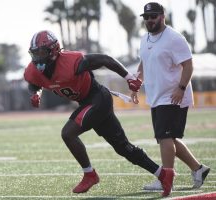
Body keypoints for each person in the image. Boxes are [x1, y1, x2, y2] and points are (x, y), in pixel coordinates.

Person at [24, 30, 170, 194]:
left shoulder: (72, 61)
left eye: (42, 52)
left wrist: (129, 77)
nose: (38, 58)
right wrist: (35, 94)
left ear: (54, 50)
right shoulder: (33, 70)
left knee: (68, 133)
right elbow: (33, 83)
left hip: (97, 98)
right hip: (90, 103)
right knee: (123, 148)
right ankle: (163, 174)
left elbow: (104, 59)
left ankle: (89, 174)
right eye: (35, 53)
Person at [131, 2, 210, 197]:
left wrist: (181, 88)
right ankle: (198, 168)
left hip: (173, 96)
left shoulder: (174, 38)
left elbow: (189, 66)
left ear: (162, 16)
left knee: (165, 137)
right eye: (146, 17)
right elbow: (144, 61)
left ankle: (166, 179)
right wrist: (136, 82)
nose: (149, 20)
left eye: (153, 16)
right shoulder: (144, 38)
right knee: (167, 138)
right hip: (157, 96)